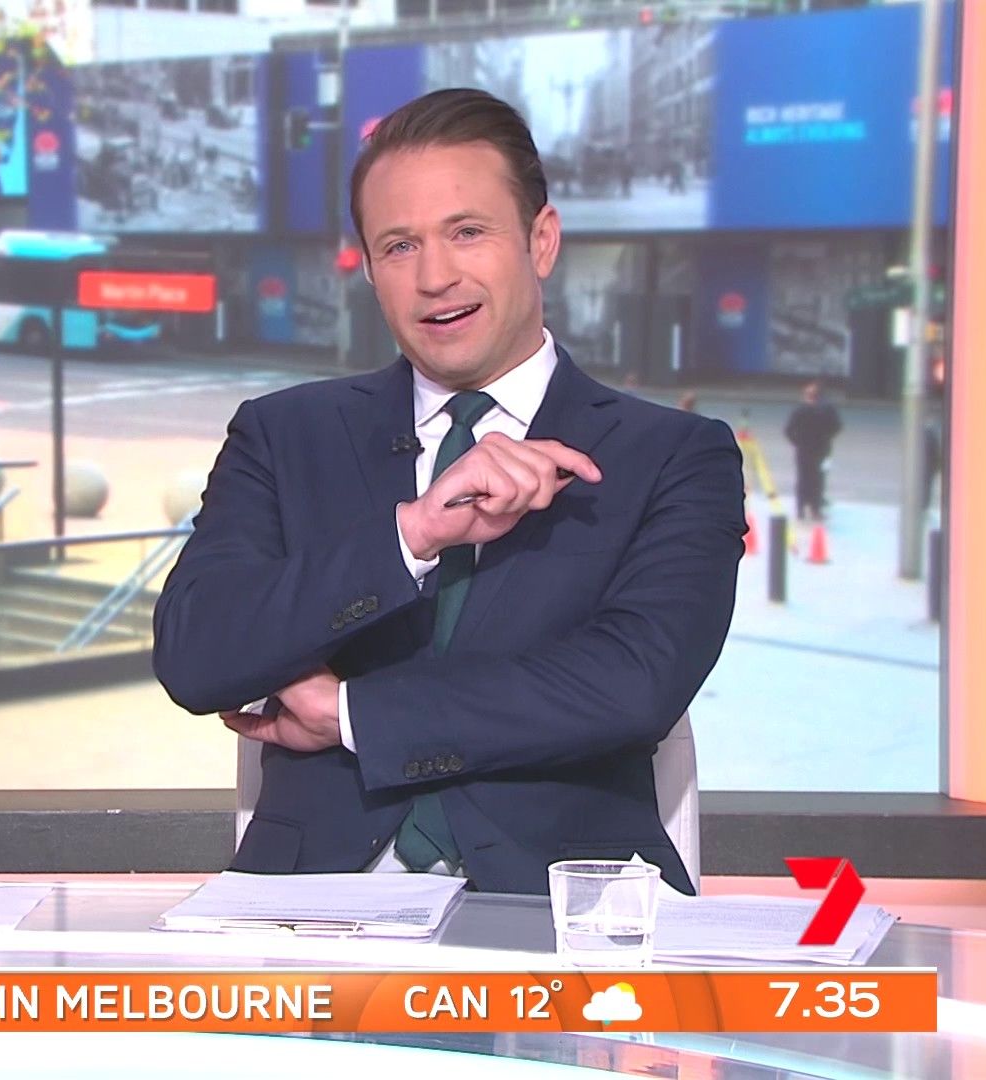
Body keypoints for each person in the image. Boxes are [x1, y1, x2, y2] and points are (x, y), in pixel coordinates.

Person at [152, 89, 745, 896]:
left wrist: (352, 715)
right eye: (399, 246)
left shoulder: (672, 455)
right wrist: (413, 534)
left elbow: (631, 684)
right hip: (311, 910)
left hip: (562, 908)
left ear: (541, 240)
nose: (435, 277)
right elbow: (196, 656)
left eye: (468, 232)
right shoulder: (284, 435)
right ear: (370, 270)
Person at [784, 380, 843, 523]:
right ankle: (815, 510)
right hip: (822, 449)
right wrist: (827, 437)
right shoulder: (827, 410)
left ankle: (800, 509)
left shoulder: (800, 410)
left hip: (803, 450)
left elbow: (789, 430)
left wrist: (797, 442)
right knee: (818, 479)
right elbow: (837, 426)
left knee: (803, 479)